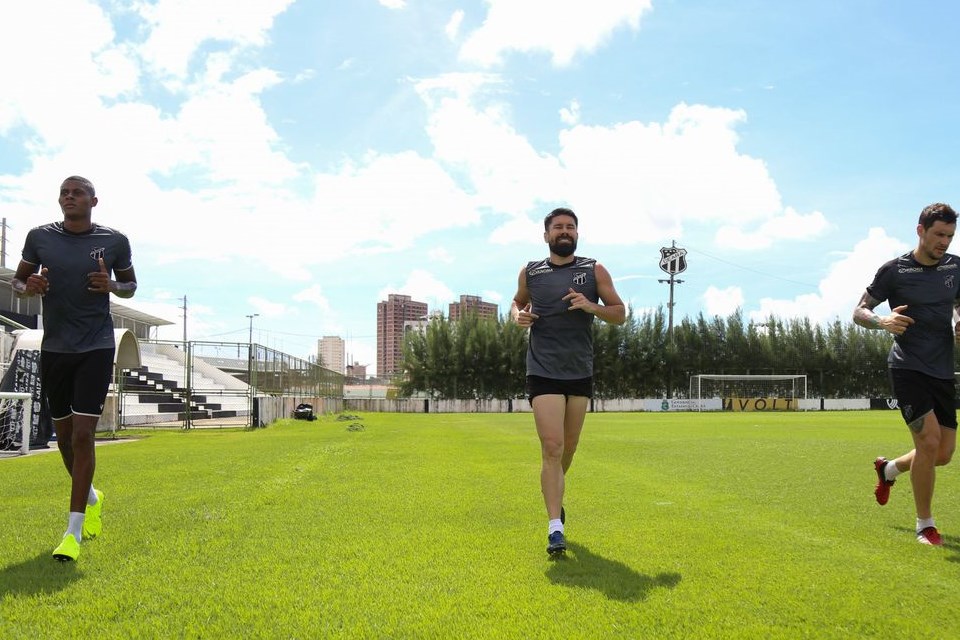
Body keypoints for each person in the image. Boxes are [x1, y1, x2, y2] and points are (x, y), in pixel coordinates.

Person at [12, 176, 137, 562]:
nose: (69, 196)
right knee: (64, 440)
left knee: (83, 436)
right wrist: (27, 285)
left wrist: (111, 286)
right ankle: (94, 497)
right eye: (64, 192)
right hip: (55, 348)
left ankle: (72, 532)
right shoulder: (39, 237)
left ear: (93, 201)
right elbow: (17, 281)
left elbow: (131, 286)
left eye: (77, 192)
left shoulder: (115, 241)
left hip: (96, 346)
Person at [510, 207, 626, 556]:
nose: (565, 231)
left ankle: (553, 492)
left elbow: (619, 314)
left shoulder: (594, 269)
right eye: (558, 227)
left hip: (579, 370)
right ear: (546, 235)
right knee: (553, 446)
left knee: (569, 448)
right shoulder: (531, 271)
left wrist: (591, 306)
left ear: (577, 234)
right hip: (542, 368)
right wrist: (519, 316)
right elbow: (516, 302)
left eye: (570, 227)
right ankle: (554, 527)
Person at [854, 202, 960, 546]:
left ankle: (888, 470)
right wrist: (881, 321)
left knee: (942, 453)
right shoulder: (894, 271)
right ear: (920, 230)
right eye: (939, 234)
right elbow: (859, 310)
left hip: (942, 368)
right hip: (907, 365)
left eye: (950, 235)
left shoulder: (956, 268)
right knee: (928, 442)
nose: (944, 242)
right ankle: (925, 525)